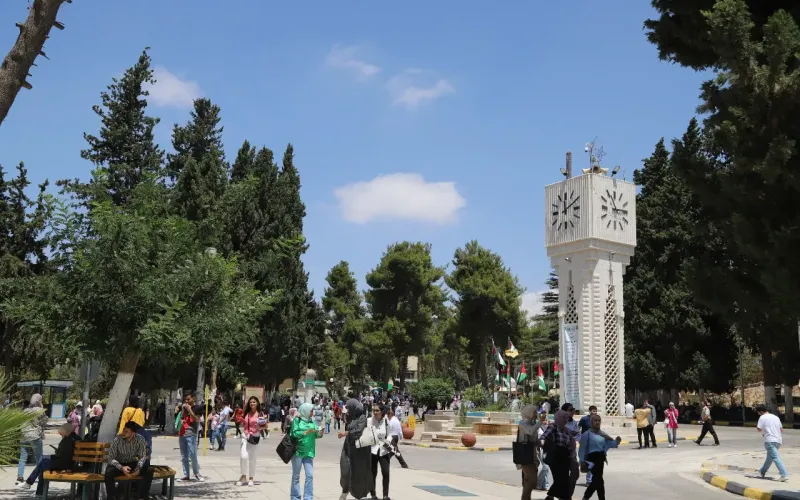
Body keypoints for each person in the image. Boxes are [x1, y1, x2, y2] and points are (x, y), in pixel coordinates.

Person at [17, 423, 79, 494]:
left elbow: (60, 454)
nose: (61, 435)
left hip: (64, 464)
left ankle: (33, 487)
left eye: (62, 434)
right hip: (67, 463)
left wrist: (55, 453)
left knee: (43, 463)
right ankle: (34, 487)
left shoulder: (67, 440)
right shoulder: (74, 438)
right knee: (43, 464)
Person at [105, 421, 153, 500]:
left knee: (149, 470)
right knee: (108, 472)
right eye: (123, 430)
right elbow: (110, 458)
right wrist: (121, 468)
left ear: (133, 433)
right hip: (120, 464)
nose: (123, 433)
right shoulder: (117, 439)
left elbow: (142, 456)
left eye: (126, 431)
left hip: (133, 463)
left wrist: (139, 467)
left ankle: (143, 496)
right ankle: (111, 497)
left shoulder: (140, 439)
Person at [338, 398, 374, 500]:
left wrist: (346, 433)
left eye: (349, 408)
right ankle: (345, 490)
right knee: (345, 470)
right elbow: (349, 428)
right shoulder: (351, 417)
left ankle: (359, 495)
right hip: (348, 448)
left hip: (359, 451)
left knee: (358, 473)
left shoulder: (362, 417)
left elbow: (358, 431)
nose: (348, 410)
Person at [578, 415, 621, 500]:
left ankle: (586, 497)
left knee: (598, 480)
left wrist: (617, 441)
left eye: (599, 420)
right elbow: (582, 449)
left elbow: (610, 444)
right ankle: (590, 497)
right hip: (591, 460)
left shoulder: (602, 434)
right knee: (598, 480)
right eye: (595, 420)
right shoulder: (587, 434)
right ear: (591, 422)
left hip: (600, 459)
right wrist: (582, 461)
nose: (597, 422)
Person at [290, 403, 323, 500]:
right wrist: (305, 432)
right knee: (296, 476)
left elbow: (315, 435)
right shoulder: (297, 420)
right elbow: (294, 433)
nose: (312, 413)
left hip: (309, 452)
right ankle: (295, 497)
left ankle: (308, 497)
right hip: (298, 452)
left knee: (310, 475)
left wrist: (320, 433)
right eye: (311, 411)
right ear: (305, 411)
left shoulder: (312, 421)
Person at [541, 410, 574, 500]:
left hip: (565, 457)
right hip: (555, 456)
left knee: (564, 479)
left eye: (566, 418)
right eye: (563, 418)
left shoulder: (566, 430)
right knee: (560, 479)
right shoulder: (553, 426)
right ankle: (555, 496)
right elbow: (545, 436)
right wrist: (541, 442)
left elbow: (570, 443)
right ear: (558, 418)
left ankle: (553, 497)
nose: (565, 420)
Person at [16, 393, 48, 485]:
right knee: (39, 457)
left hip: (24, 436)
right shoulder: (39, 410)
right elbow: (44, 422)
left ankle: (20, 476)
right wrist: (42, 408)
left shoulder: (25, 410)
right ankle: (40, 476)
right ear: (39, 401)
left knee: (23, 457)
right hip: (35, 436)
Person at [237, 396, 267, 486]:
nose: (252, 403)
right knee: (243, 456)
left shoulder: (260, 414)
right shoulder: (246, 413)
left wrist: (259, 427)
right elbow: (243, 423)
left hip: (255, 437)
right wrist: (241, 421)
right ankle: (243, 476)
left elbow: (265, 426)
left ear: (257, 403)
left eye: (254, 402)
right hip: (245, 436)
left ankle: (251, 478)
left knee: (252, 459)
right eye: (250, 402)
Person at [756, 405, 788, 481]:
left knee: (775, 457)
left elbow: (759, 429)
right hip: (778, 440)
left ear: (761, 412)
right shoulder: (775, 417)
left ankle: (784, 474)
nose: (758, 414)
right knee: (770, 458)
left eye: (758, 412)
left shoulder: (762, 417)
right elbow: (781, 429)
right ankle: (762, 471)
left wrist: (766, 432)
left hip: (770, 441)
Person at [177, 393, 204, 482]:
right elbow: (181, 418)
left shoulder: (198, 408)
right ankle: (186, 475)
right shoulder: (184, 408)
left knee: (192, 454)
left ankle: (196, 473)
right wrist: (181, 421)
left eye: (188, 399)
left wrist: (190, 410)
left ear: (193, 398)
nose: (186, 401)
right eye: (186, 399)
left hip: (191, 433)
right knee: (184, 456)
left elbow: (197, 420)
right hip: (182, 433)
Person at [516, 405, 541, 500]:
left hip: (532, 455)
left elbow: (534, 438)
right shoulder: (523, 423)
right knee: (532, 481)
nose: (536, 414)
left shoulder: (533, 423)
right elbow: (530, 431)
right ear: (529, 413)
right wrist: (540, 422)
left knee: (527, 480)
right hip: (524, 455)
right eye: (534, 412)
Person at [369, 405, 392, 500]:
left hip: (383, 450)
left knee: (386, 472)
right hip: (372, 450)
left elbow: (390, 434)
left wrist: (388, 441)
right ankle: (373, 494)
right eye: (374, 410)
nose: (375, 412)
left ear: (382, 412)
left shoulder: (386, 421)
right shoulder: (369, 421)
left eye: (377, 410)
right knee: (372, 473)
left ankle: (385, 495)